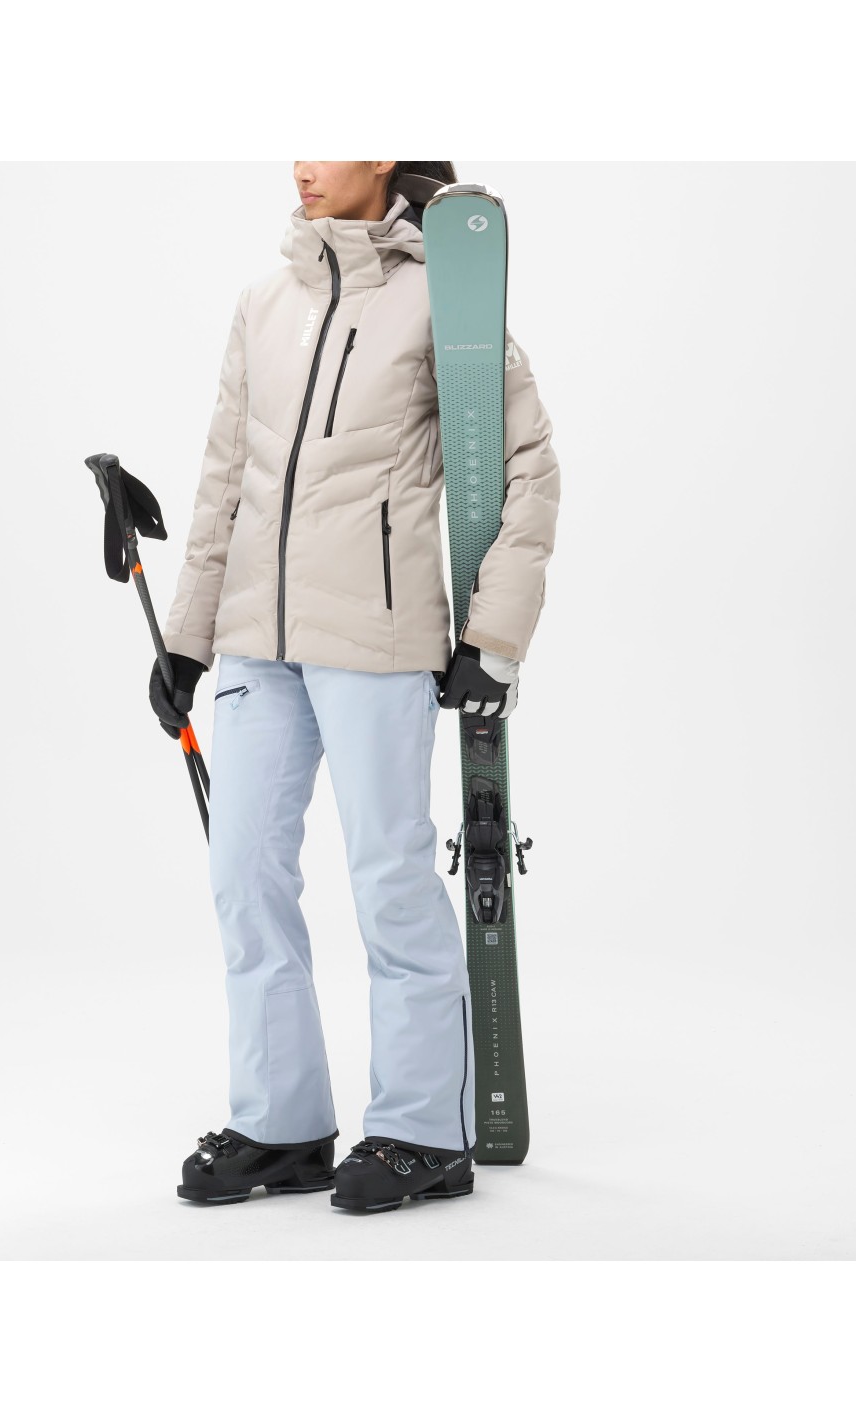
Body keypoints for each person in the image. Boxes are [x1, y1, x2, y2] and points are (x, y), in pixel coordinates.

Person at [150, 161, 560, 1213]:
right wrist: (188, 639)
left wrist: (493, 636)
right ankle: (281, 1124)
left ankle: (423, 1132)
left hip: (377, 639)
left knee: (387, 877)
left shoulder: (444, 297)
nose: (303, 163)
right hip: (257, 642)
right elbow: (223, 479)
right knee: (243, 874)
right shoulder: (263, 301)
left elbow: (525, 466)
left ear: (382, 153)